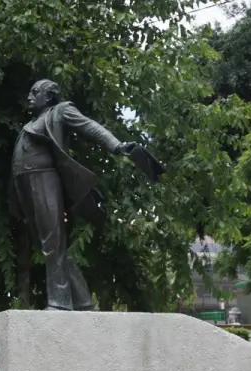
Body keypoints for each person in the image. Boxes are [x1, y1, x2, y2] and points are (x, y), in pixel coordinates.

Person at [9, 78, 165, 310]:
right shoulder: (31, 122)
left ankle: (59, 303)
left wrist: (117, 145)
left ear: (49, 97)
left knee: (53, 242)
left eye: (35, 92)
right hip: (26, 183)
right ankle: (83, 301)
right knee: (51, 246)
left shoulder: (61, 111)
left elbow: (90, 127)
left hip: (44, 179)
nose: (29, 96)